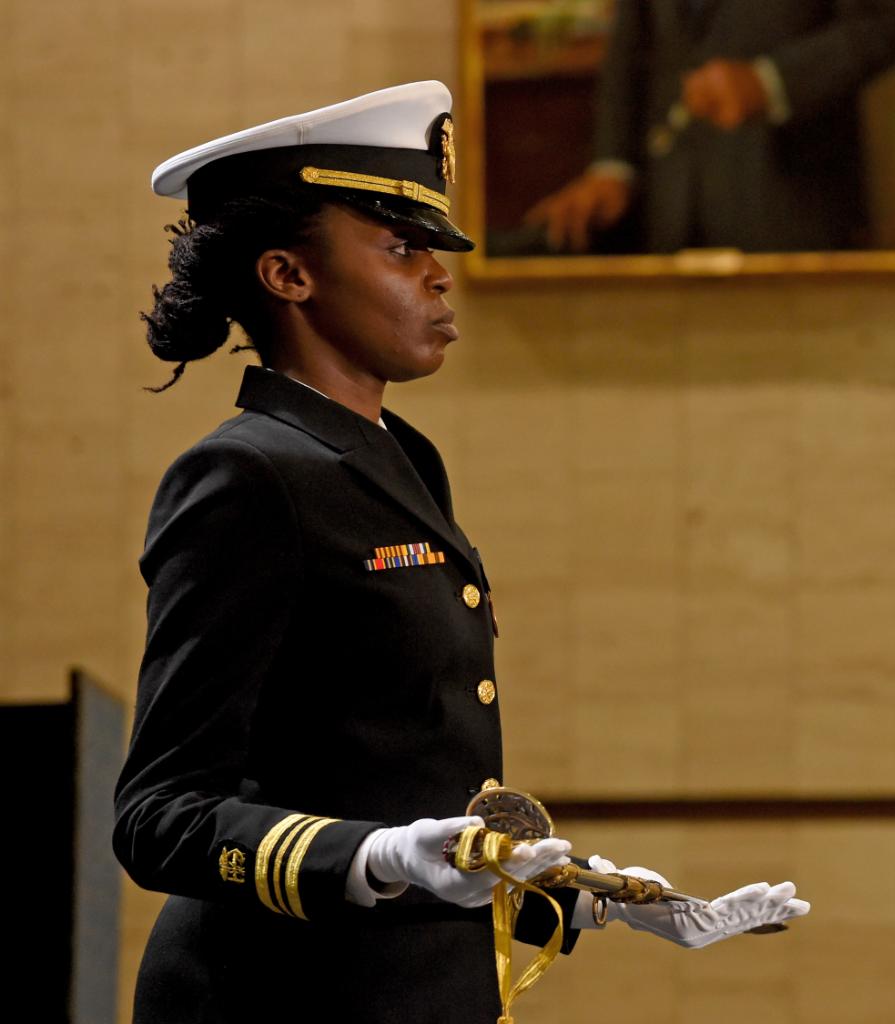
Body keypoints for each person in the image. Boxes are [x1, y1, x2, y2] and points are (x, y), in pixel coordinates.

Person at [113, 81, 809, 1024]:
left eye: (432, 250)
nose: (439, 277)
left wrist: (587, 893)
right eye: (402, 249)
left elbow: (397, 770)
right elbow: (160, 815)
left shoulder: (401, 460)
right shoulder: (246, 476)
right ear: (288, 275)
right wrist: (377, 855)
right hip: (279, 997)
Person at [524, 0, 895, 254]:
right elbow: (631, 41)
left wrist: (770, 82)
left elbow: (888, 21)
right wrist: (613, 166)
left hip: (787, 203)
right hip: (667, 214)